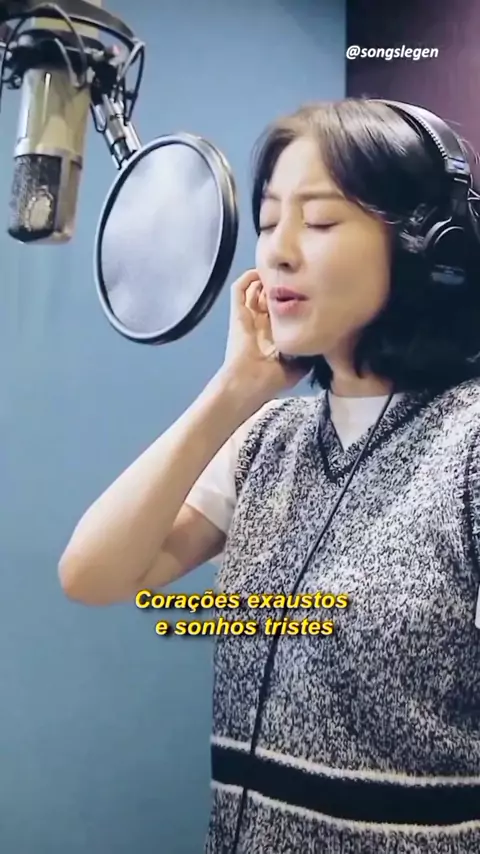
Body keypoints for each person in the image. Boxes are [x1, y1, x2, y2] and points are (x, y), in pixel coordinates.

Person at [58, 98, 480, 853]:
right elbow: (94, 574)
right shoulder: (267, 441)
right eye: (268, 220)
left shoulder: (470, 444)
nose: (278, 253)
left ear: (430, 250)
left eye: (318, 222)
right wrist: (233, 392)